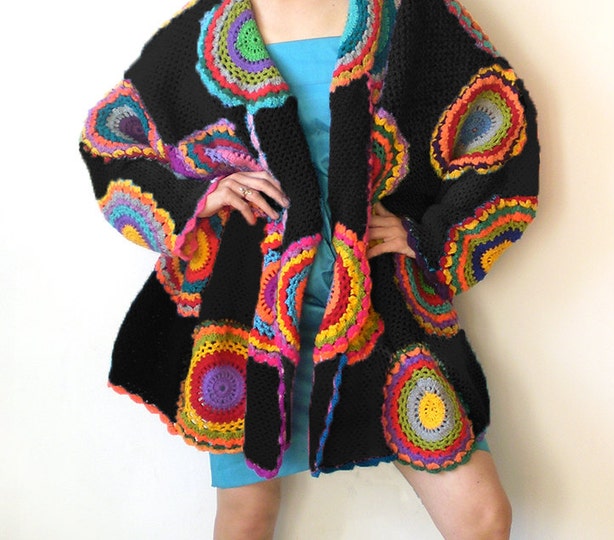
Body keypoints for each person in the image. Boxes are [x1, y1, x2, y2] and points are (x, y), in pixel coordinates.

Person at [80, 0, 539, 538]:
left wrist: (430, 234)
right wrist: (199, 195)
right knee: (247, 518)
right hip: (252, 314)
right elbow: (111, 139)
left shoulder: (409, 14)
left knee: (481, 516)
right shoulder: (210, 27)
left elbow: (500, 120)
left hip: (380, 303)